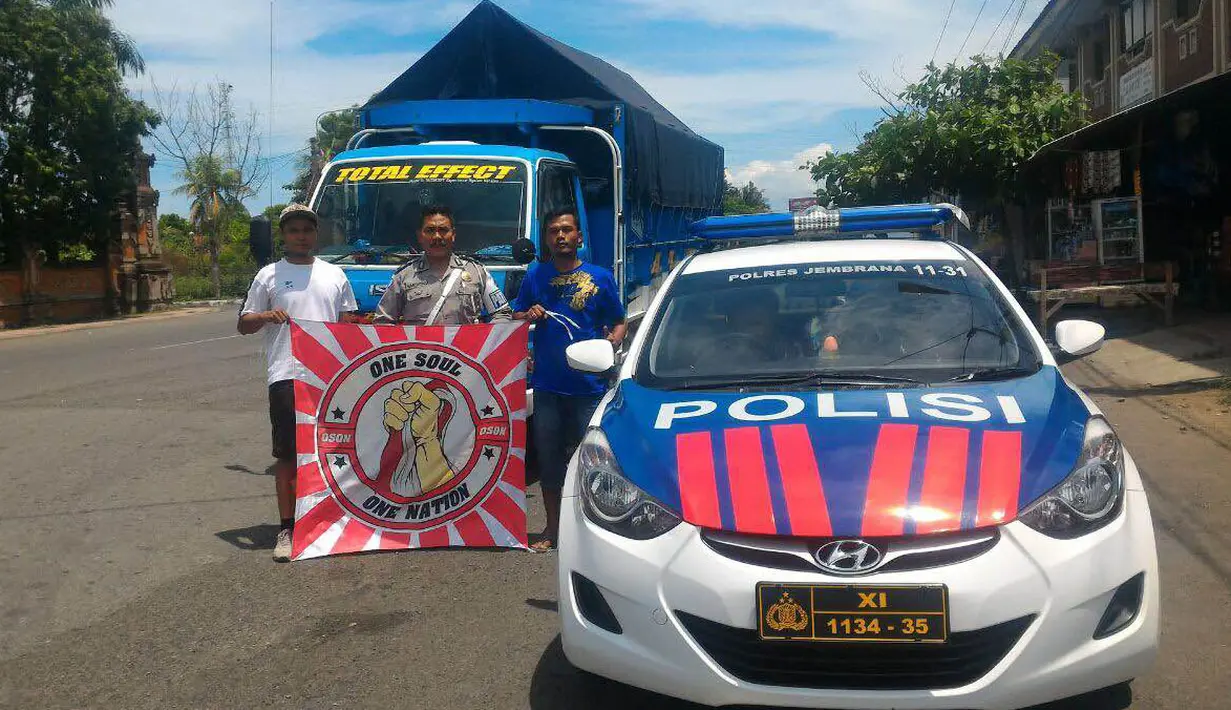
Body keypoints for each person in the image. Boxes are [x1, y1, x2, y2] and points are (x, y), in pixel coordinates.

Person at [238, 203, 359, 562]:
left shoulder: (335, 275)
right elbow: (244, 323)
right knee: (289, 456)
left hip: (331, 379)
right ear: (284, 235)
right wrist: (264, 315)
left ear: (315, 233)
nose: (301, 236)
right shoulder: (268, 276)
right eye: (294, 230)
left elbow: (348, 323)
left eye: (307, 229)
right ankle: (288, 527)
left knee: (335, 452)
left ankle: (334, 520)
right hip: (287, 376)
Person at [513, 208, 627, 552]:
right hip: (548, 387)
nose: (560, 236)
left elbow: (619, 320)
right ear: (547, 238)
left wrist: (611, 344)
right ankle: (552, 529)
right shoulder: (536, 275)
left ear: (578, 237)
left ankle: (594, 531)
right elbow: (516, 312)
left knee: (594, 464)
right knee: (548, 461)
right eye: (553, 232)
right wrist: (527, 313)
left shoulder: (601, 277)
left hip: (589, 390)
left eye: (566, 230)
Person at [374, 204, 513, 325]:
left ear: (453, 235)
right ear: (419, 236)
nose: (437, 237)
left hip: (464, 353)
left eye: (443, 230)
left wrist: (485, 340)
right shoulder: (403, 276)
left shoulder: (477, 271)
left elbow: (502, 313)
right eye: (430, 230)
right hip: (420, 354)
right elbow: (383, 322)